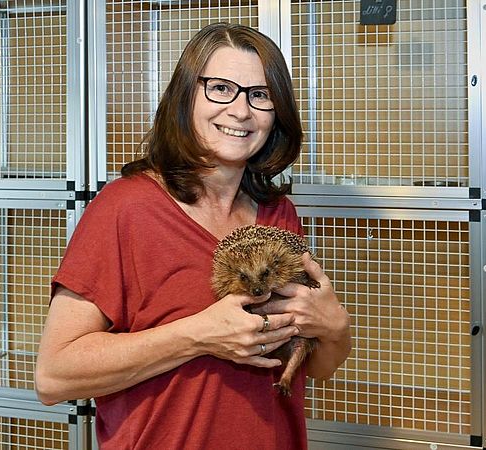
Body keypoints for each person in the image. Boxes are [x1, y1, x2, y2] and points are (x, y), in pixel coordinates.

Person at [35, 22, 351, 449]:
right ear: (186, 96)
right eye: (221, 88)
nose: (241, 111)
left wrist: (335, 328)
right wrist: (197, 335)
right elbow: (54, 376)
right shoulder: (125, 209)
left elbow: (317, 367)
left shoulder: (279, 216)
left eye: (260, 95)